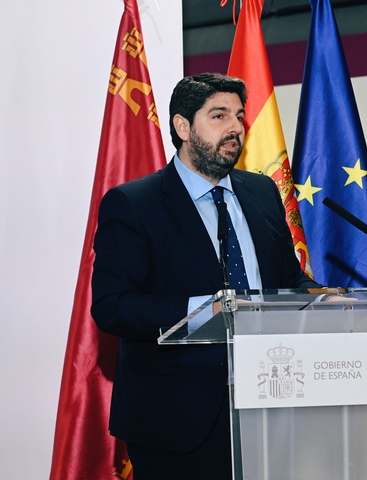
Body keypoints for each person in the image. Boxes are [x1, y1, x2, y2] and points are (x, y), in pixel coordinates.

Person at [91, 72, 320, 480]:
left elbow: (288, 276)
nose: (235, 127)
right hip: (175, 419)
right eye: (219, 116)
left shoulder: (261, 192)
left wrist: (323, 298)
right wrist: (208, 311)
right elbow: (113, 307)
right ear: (183, 126)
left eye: (239, 116)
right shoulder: (134, 204)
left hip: (269, 400)